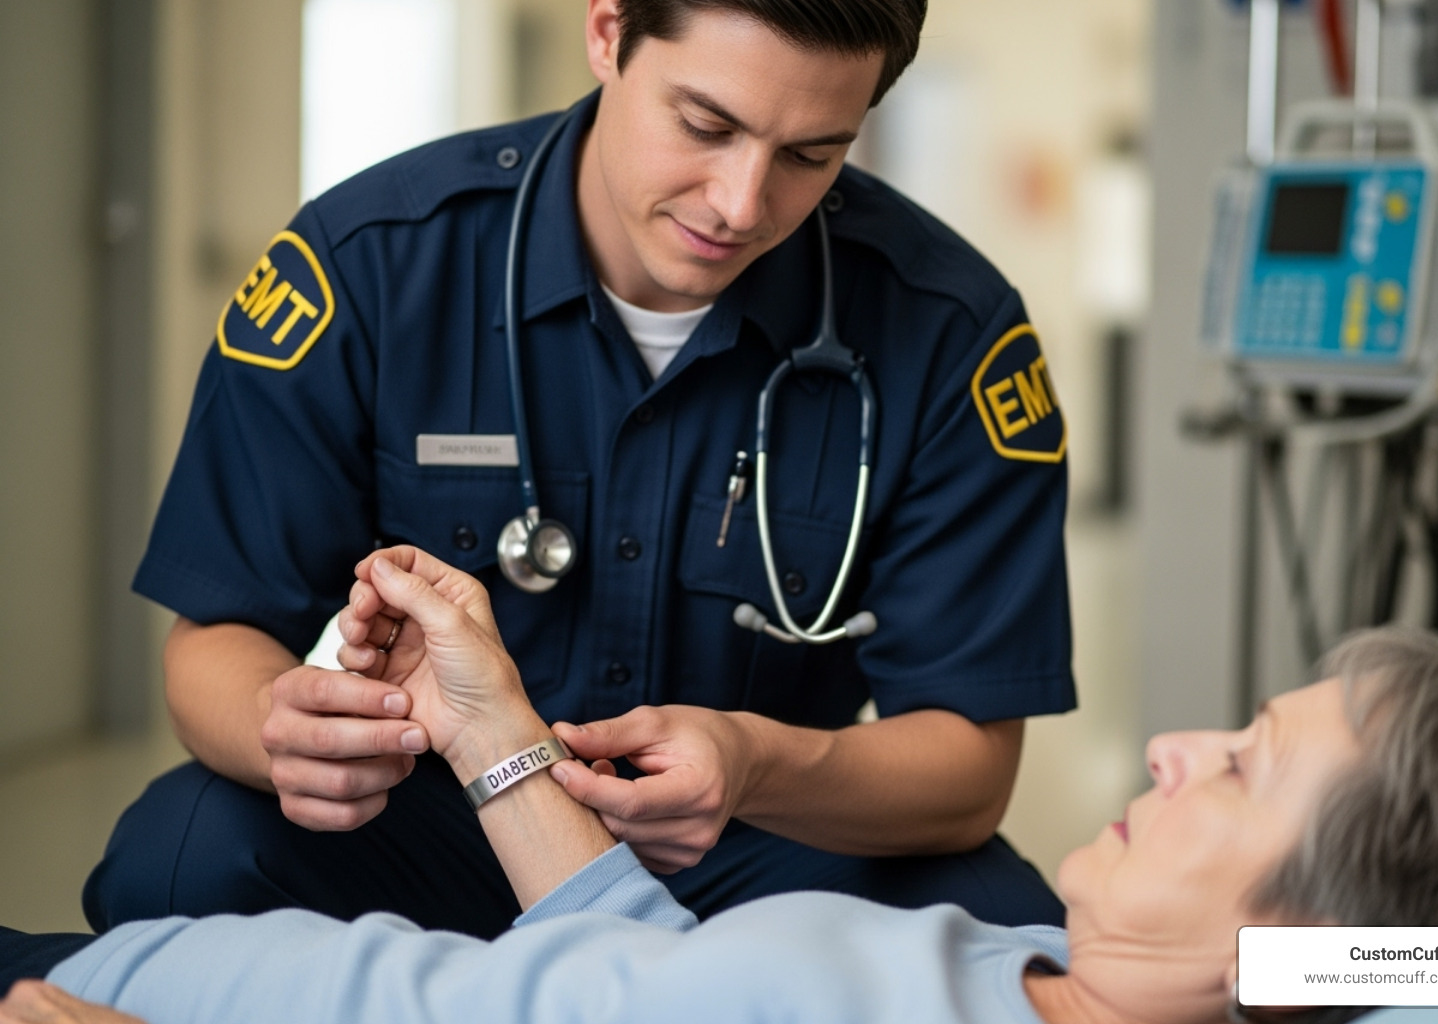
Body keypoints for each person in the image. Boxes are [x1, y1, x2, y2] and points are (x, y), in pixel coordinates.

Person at [84, 0, 1076, 937]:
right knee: (182, 856)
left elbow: (968, 765)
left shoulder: (948, 332)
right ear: (608, 32)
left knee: (1014, 937)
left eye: (811, 155)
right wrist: (284, 729)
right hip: (438, 824)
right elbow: (216, 637)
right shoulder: (371, 265)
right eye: (703, 123)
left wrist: (755, 762)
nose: (740, 203)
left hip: (767, 841)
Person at [5, 548, 1438, 1024]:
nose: (1170, 748)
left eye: (1244, 769)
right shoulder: (1023, 972)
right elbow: (636, 971)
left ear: (1297, 955)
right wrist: (489, 727)